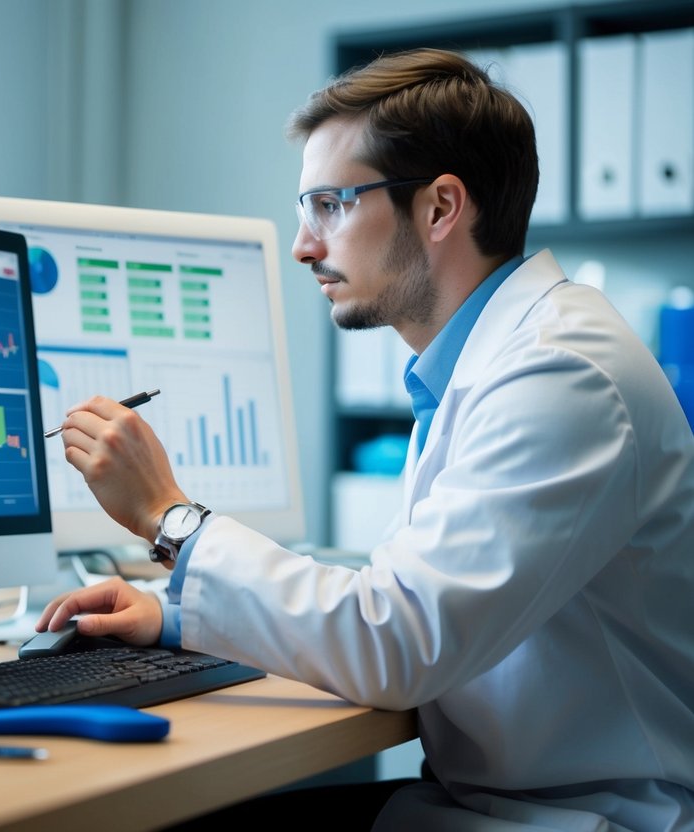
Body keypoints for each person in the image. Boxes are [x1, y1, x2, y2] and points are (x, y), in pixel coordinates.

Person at [36, 47, 694, 831]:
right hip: (498, 800)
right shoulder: (486, 360)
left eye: (329, 205)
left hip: (587, 814)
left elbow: (398, 643)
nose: (302, 246)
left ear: (440, 208)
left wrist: (170, 518)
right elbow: (403, 604)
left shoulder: (561, 376)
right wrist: (175, 617)